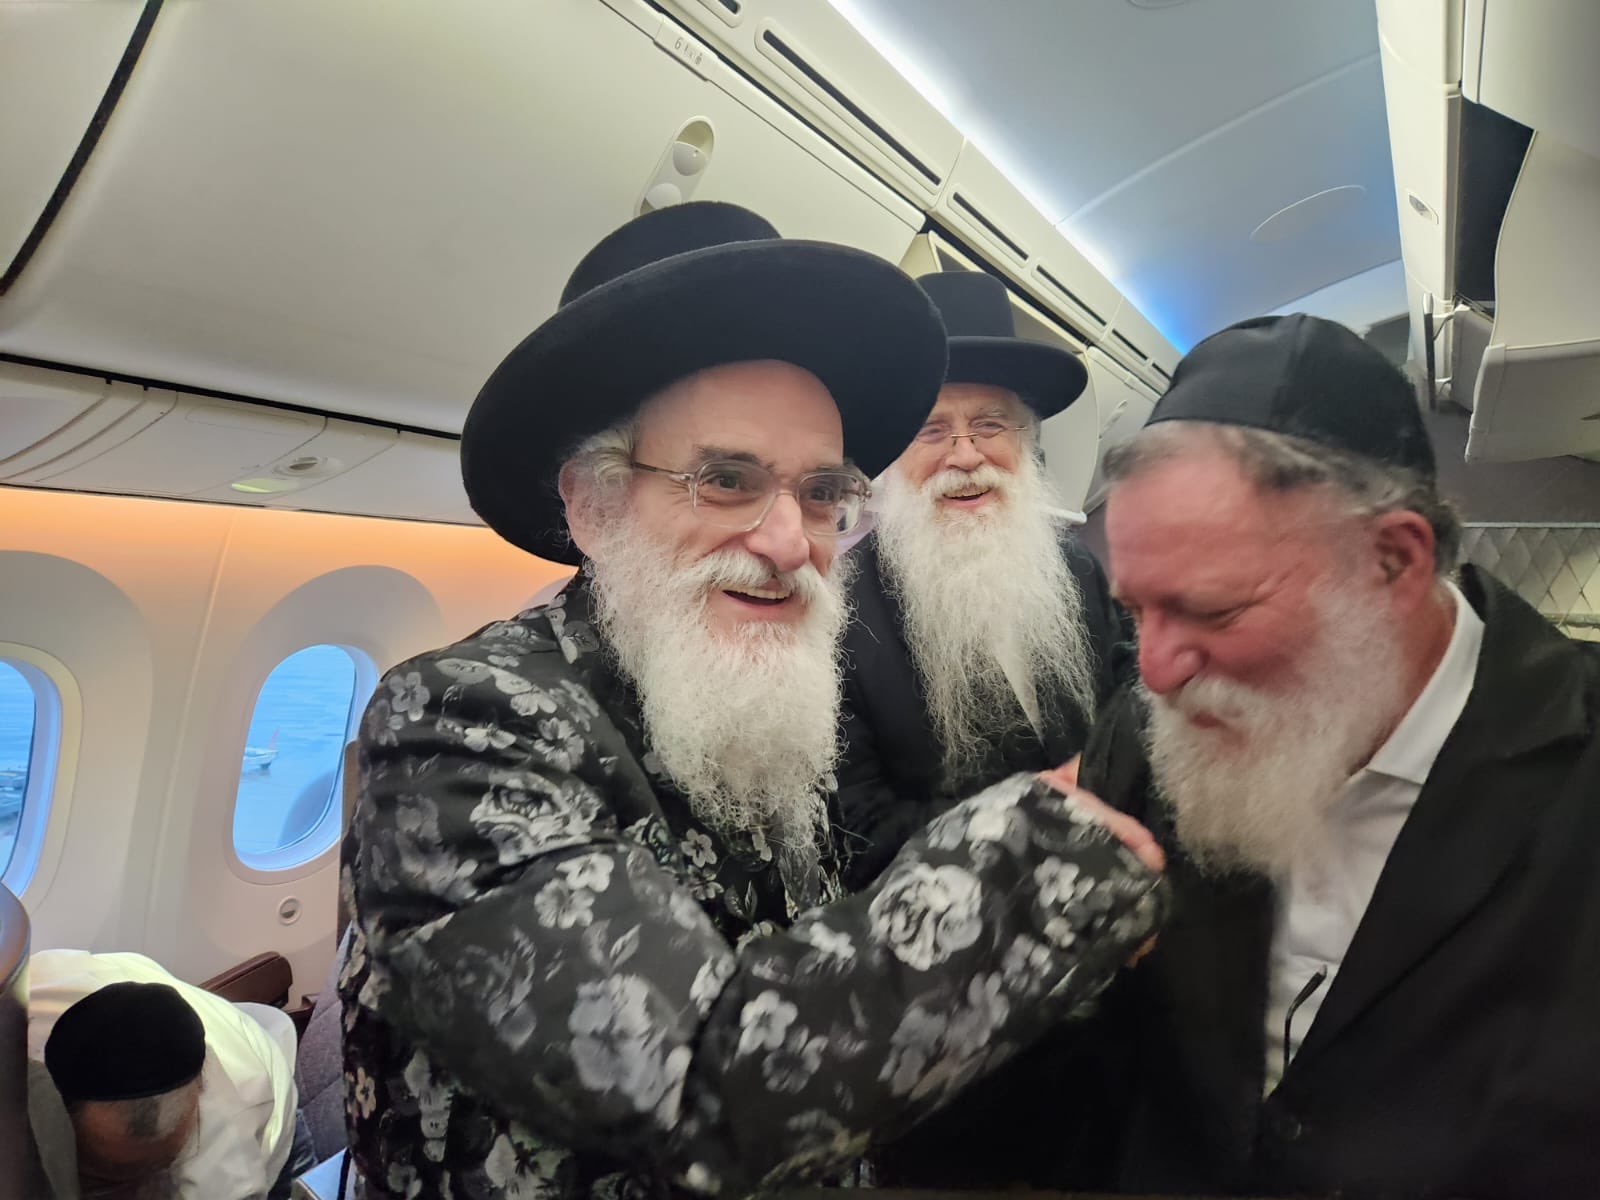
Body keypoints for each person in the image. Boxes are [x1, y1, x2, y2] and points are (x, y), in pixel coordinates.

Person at [338, 202, 1167, 1200]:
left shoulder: (760, 699)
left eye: (820, 494)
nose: (788, 542)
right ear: (592, 505)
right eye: (726, 480)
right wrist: (1046, 859)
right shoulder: (459, 720)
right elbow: (690, 1077)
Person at [1073, 313, 1600, 1197]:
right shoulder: (1146, 732)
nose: (1155, 672)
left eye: (1215, 610)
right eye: (1135, 610)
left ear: (1393, 560)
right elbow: (1107, 1062)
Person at [834, 269, 1131, 890]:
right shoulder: (841, 616)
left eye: (991, 425)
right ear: (890, 456)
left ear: (1026, 442)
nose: (966, 455)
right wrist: (1043, 817)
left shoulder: (1075, 568)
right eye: (931, 430)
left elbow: (1127, 697)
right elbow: (861, 831)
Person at [28, 950, 301, 1200]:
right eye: (102, 1170)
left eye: (144, 1169)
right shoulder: (30, 995)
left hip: (271, 1107)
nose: (130, 1185)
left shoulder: (223, 1176)